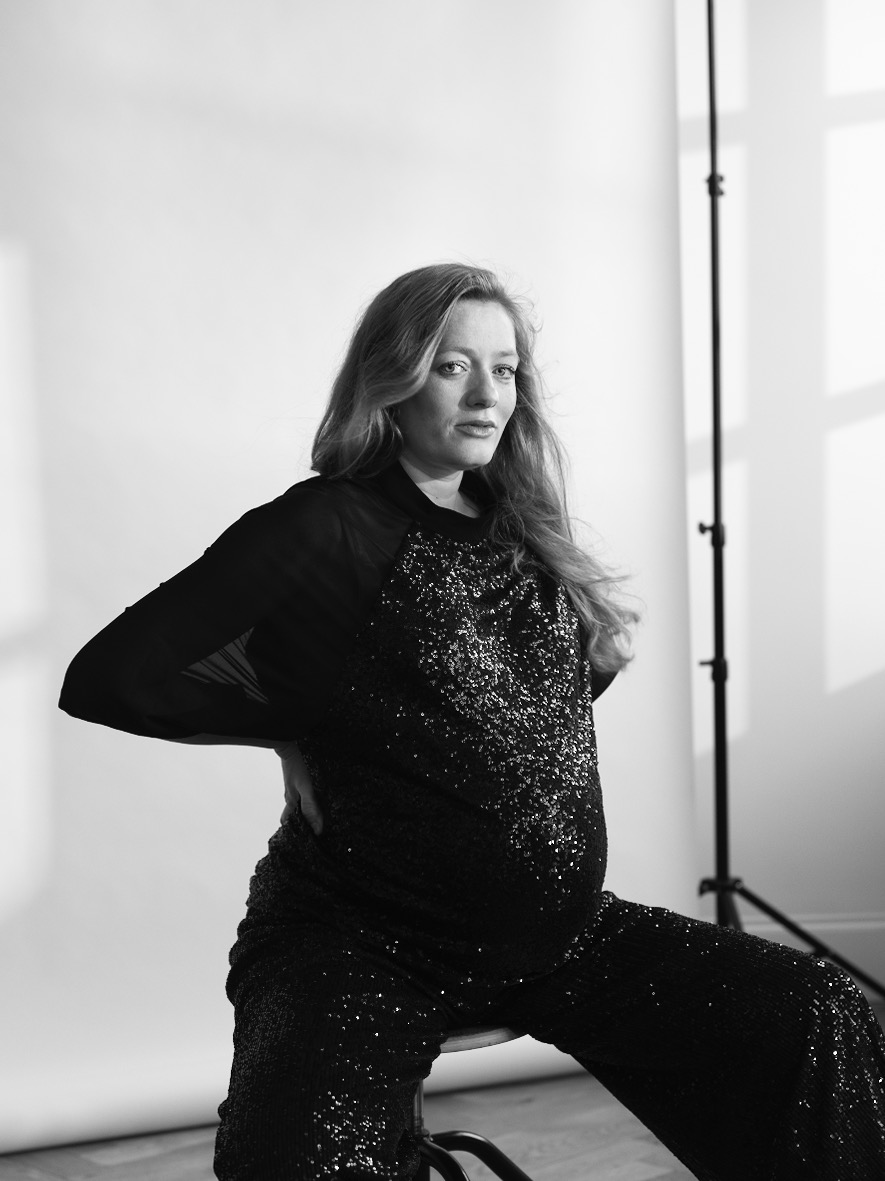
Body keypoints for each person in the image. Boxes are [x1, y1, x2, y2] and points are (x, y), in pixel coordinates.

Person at [60, 263, 885, 1180]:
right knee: (299, 1159)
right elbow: (111, 676)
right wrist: (289, 729)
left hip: (560, 939)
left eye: (505, 369)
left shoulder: (518, 518)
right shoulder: (327, 525)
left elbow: (511, 713)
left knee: (812, 1005)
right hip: (366, 942)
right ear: (393, 379)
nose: (487, 395)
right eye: (453, 367)